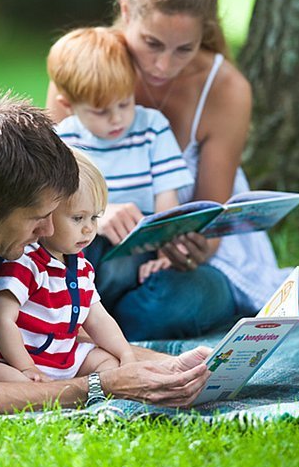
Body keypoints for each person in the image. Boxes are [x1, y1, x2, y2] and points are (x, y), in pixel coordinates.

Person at [46, 0, 299, 341]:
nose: (162, 66)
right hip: (90, 244)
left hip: (174, 267)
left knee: (185, 301)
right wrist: (103, 215)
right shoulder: (85, 67)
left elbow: (210, 213)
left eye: (183, 49)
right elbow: (51, 187)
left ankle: (86, 326)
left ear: (205, 33)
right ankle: (92, 320)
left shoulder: (224, 88)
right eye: (151, 43)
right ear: (126, 11)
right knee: (79, 267)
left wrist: (197, 247)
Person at [0, 91, 212, 412]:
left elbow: (57, 336)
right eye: (37, 218)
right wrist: (102, 386)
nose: (48, 231)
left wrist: (172, 367)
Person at [47, 26, 193, 296]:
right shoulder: (65, 139)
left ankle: (107, 317)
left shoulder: (151, 127)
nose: (116, 119)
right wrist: (99, 216)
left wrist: (164, 250)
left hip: (141, 247)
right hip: (87, 242)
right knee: (87, 254)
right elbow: (59, 207)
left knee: (186, 286)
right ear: (68, 105)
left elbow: (166, 199)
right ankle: (88, 314)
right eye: (100, 112)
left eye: (124, 104)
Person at [0, 149, 136, 383]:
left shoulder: (81, 266)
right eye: (78, 218)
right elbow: (1, 319)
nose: (89, 229)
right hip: (12, 359)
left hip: (60, 359)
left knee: (107, 363)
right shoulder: (24, 262)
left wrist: (126, 355)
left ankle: (71, 390)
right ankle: (56, 393)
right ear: (46, 215)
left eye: (94, 217)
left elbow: (99, 319)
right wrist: (26, 368)